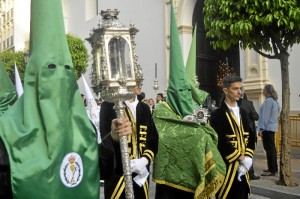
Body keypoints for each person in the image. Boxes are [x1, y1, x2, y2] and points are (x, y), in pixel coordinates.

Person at [100, 84, 159, 199]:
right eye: (135, 81)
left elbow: (153, 138)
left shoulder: (144, 108)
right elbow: (106, 139)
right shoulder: (108, 106)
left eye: (140, 81)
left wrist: (145, 160)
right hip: (118, 174)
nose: (140, 84)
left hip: (141, 173)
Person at [210, 74, 255, 199]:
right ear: (225, 90)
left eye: (240, 88)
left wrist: (248, 158)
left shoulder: (244, 113)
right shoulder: (217, 115)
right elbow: (220, 141)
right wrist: (241, 158)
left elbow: (251, 136)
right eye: (235, 88)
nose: (239, 92)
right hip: (227, 167)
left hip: (244, 168)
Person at [257, 84, 280, 176]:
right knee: (272, 149)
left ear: (266, 91)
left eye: (264, 90)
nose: (263, 91)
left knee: (269, 149)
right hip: (272, 127)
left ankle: (272, 169)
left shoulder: (268, 101)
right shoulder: (275, 101)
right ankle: (273, 168)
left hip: (267, 128)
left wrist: (261, 128)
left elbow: (265, 116)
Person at [239, 92, 260, 180]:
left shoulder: (232, 103)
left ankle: (241, 172)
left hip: (238, 131)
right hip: (249, 132)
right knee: (249, 152)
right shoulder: (249, 103)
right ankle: (250, 173)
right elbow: (256, 117)